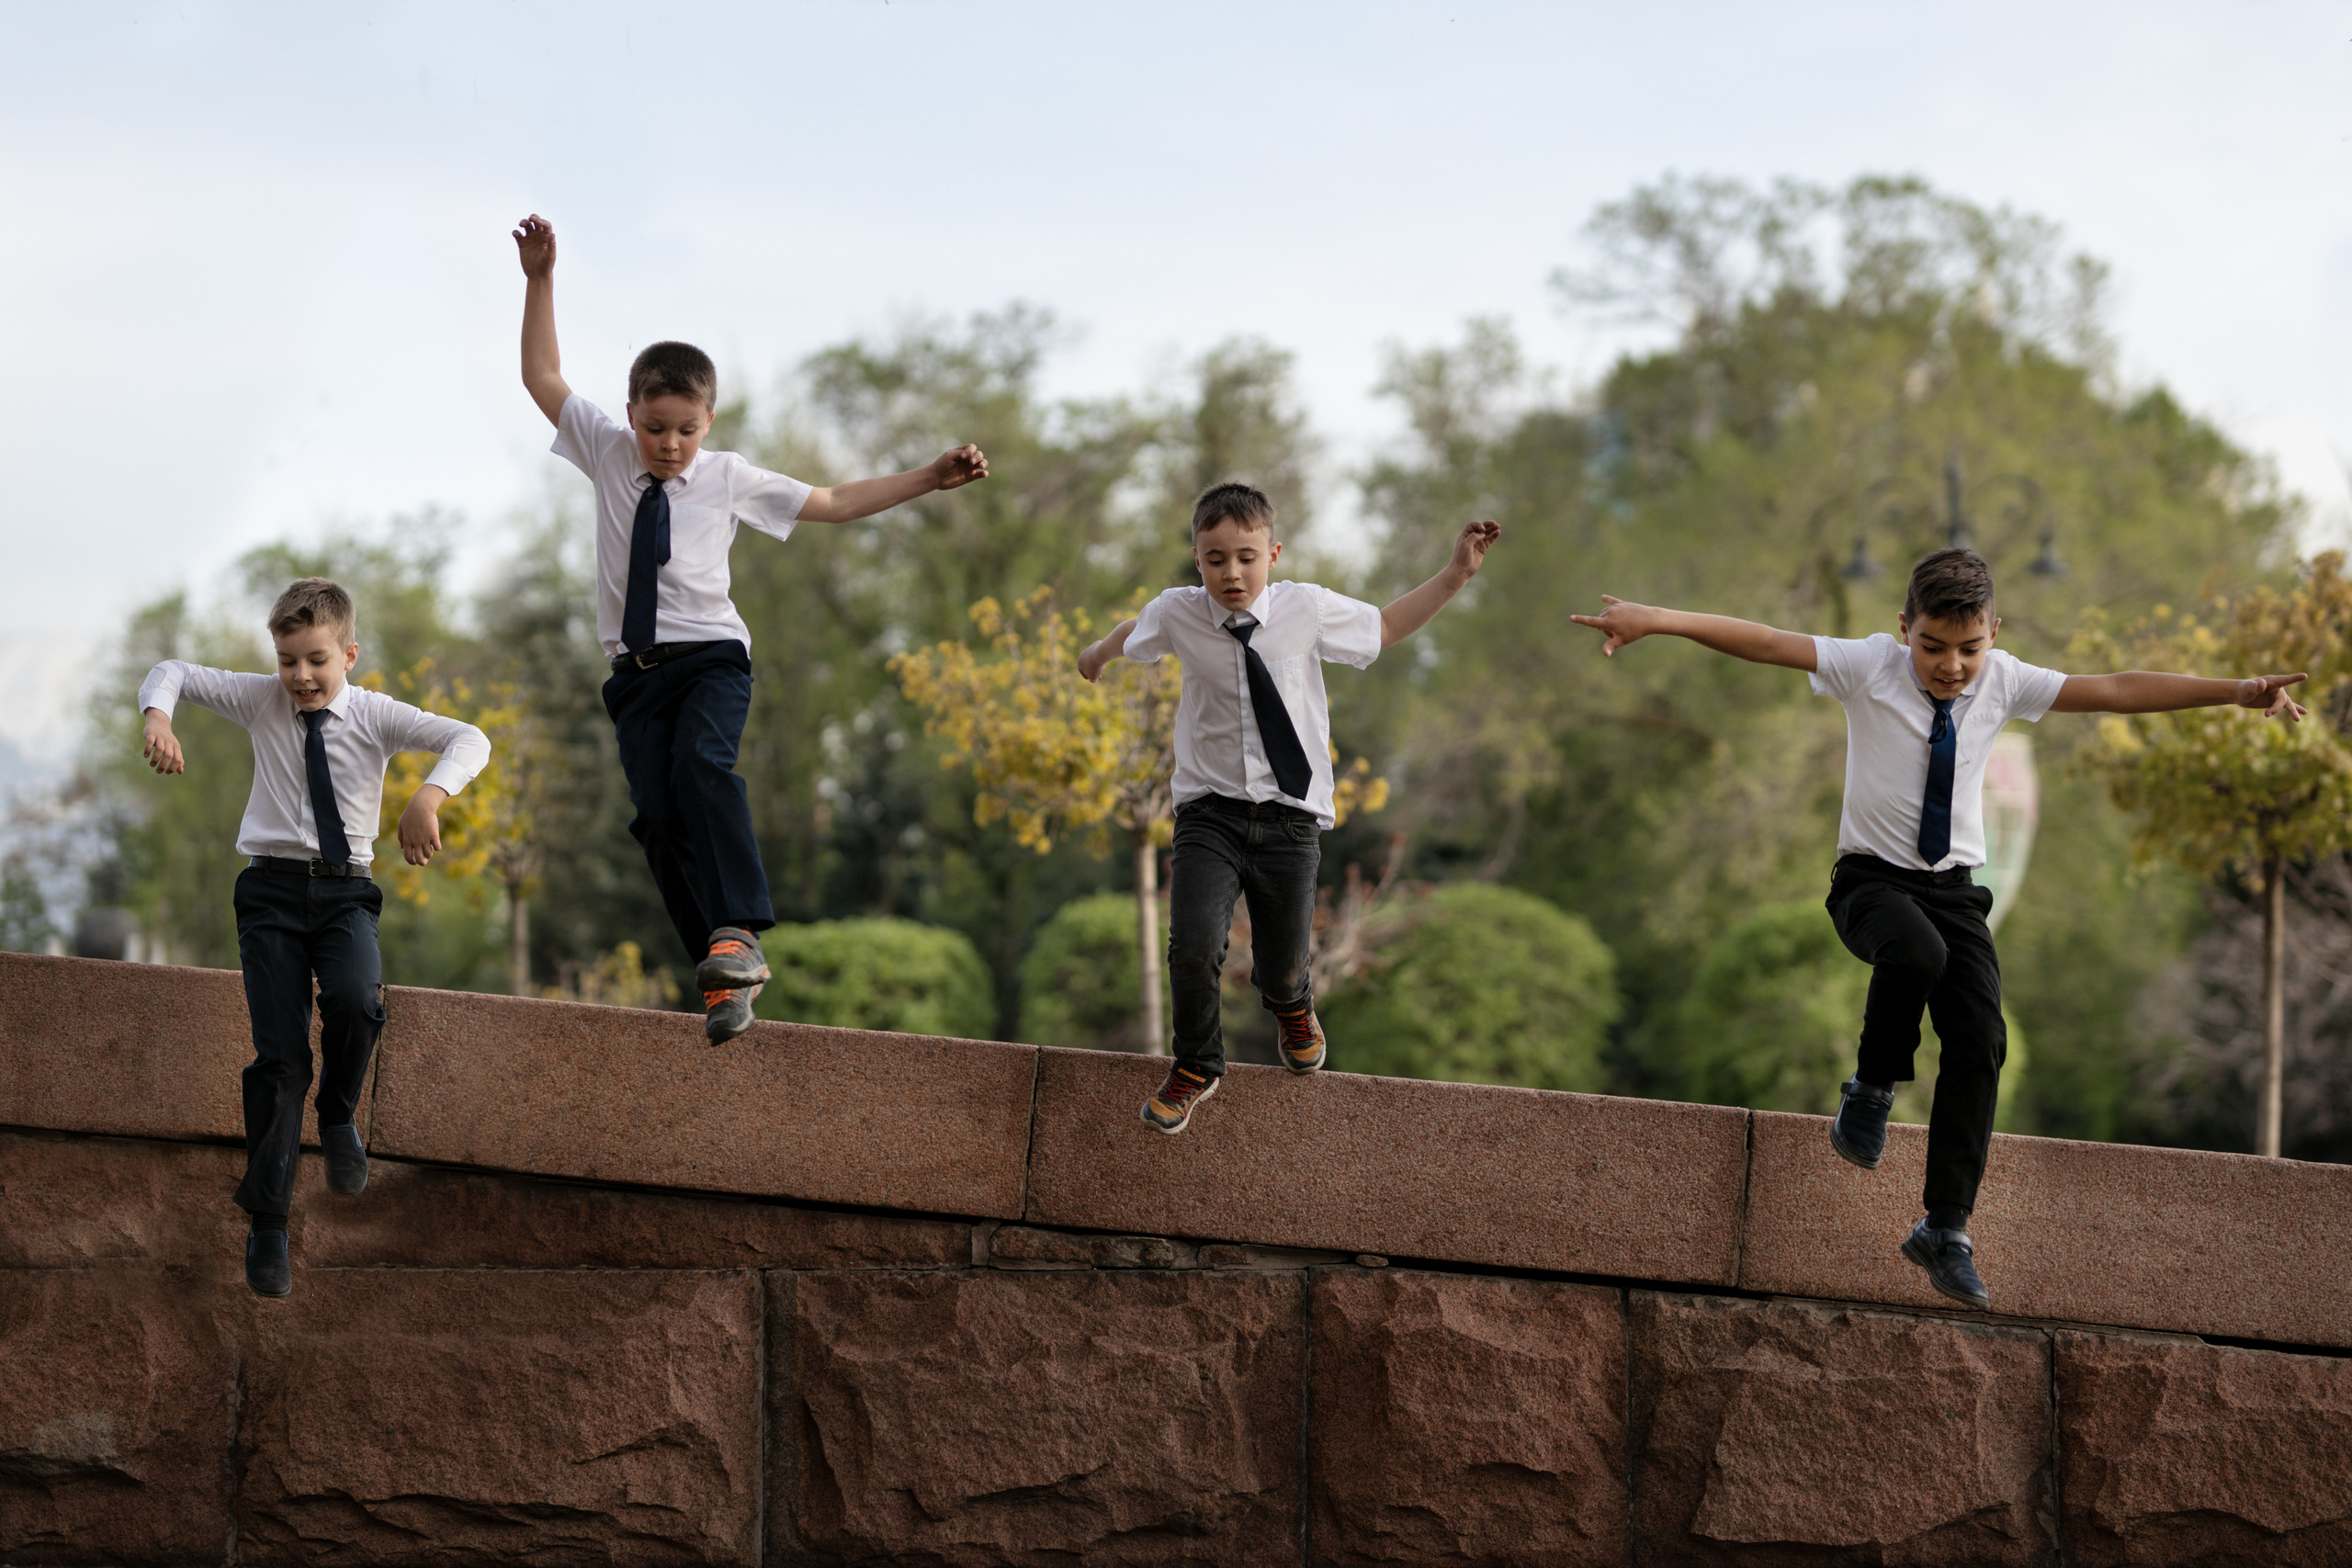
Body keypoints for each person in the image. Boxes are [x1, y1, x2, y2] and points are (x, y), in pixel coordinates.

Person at [1570, 547, 2306, 1310]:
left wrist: (2236, 691)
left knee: (1982, 1036)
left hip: (1957, 892)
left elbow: (2115, 689)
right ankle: (1872, 1090)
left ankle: (1946, 1227)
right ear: (1903, 629)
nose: (1951, 667)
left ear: (1994, 632)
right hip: (1870, 887)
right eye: (1931, 647)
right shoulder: (1867, 666)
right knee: (1914, 953)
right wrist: (1655, 619)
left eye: (1968, 648)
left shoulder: (2008, 679)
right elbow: (1762, 638)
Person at [511, 214, 989, 1042]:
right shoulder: (604, 448)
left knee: (704, 767)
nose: (668, 446)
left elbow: (834, 503)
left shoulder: (729, 478)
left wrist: (929, 479)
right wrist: (540, 277)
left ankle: (739, 930)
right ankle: (720, 969)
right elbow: (542, 373)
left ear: (710, 421)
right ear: (630, 414)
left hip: (712, 660)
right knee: (657, 818)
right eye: (655, 428)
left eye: (686, 431)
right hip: (633, 677)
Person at [1078, 482, 1500, 1133]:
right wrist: (1100, 654)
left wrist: (1456, 574)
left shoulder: (1307, 609)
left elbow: (1385, 627)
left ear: (1272, 554)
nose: (1232, 573)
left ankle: (1292, 1004)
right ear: (1197, 559)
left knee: (1281, 966)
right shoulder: (1180, 612)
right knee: (1191, 945)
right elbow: (1139, 628)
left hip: (1289, 819)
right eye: (1215, 559)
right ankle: (1195, 1064)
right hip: (1209, 814)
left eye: (1246, 557)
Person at [137, 579, 491, 1298]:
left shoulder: (377, 716)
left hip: (343, 892)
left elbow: (470, 737)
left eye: (317, 660)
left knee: (358, 1001)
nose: (300, 676)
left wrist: (429, 795)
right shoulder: (260, 697)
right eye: (288, 660)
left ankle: (337, 1113)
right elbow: (170, 670)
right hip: (268, 893)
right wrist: (157, 720)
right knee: (279, 1058)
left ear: (349, 655)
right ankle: (269, 1222)